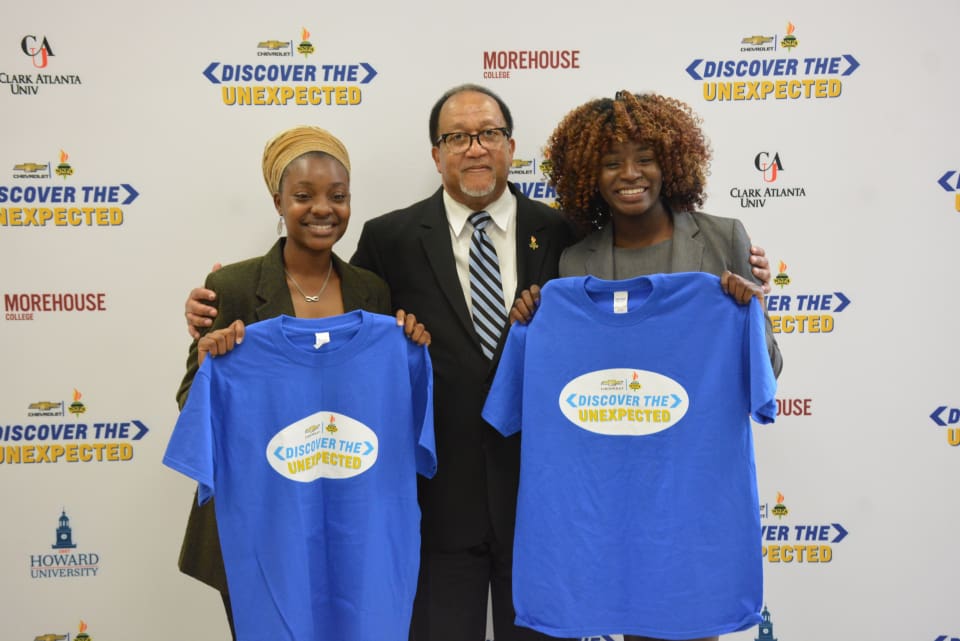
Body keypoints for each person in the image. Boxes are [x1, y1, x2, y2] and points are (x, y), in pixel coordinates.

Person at [182, 86, 774, 641]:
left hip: (548, 512)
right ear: (435, 154)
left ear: (512, 147)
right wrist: (207, 335)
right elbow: (344, 339)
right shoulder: (388, 241)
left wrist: (746, 306)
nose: (474, 147)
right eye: (456, 137)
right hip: (438, 511)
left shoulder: (567, 237)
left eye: (488, 133)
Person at [509, 91, 782, 641]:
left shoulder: (724, 238)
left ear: (672, 163)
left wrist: (756, 306)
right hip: (610, 494)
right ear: (589, 173)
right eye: (611, 162)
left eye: (645, 158)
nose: (630, 174)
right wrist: (532, 318)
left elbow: (766, 369)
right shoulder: (575, 261)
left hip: (689, 494)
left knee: (690, 622)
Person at [173, 125, 429, 640]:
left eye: (338, 196)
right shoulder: (234, 285)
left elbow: (384, 406)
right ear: (277, 201)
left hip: (347, 520)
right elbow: (193, 403)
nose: (322, 209)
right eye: (303, 196)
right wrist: (206, 362)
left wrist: (410, 347)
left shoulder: (370, 290)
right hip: (265, 524)